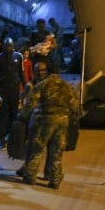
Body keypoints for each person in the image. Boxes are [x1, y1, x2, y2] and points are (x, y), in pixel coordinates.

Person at [21, 61, 82, 189]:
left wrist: (21, 116)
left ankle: (30, 177)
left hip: (45, 121)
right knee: (56, 152)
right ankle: (54, 180)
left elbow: (30, 104)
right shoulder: (67, 86)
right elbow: (76, 107)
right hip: (62, 121)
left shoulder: (42, 85)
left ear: (48, 72)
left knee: (37, 149)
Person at [0, 38, 23, 148]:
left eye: (10, 46)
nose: (8, 48)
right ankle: (2, 138)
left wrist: (24, 90)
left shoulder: (19, 56)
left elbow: (21, 73)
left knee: (14, 113)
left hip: (14, 90)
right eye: (6, 46)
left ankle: (12, 137)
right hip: (2, 90)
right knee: (2, 115)